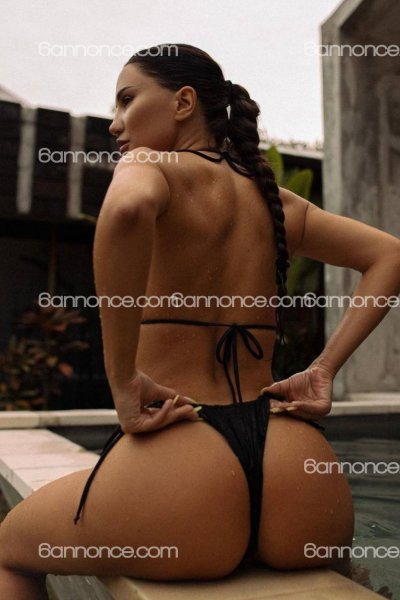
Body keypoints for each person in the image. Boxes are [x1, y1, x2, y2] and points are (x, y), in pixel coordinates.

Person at [1, 43, 399, 600]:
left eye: (127, 100)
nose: (115, 123)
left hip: (185, 470)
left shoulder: (148, 167)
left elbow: (126, 209)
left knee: (8, 552)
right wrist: (323, 369)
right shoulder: (278, 203)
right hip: (297, 468)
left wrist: (121, 379)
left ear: (183, 102)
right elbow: (389, 256)